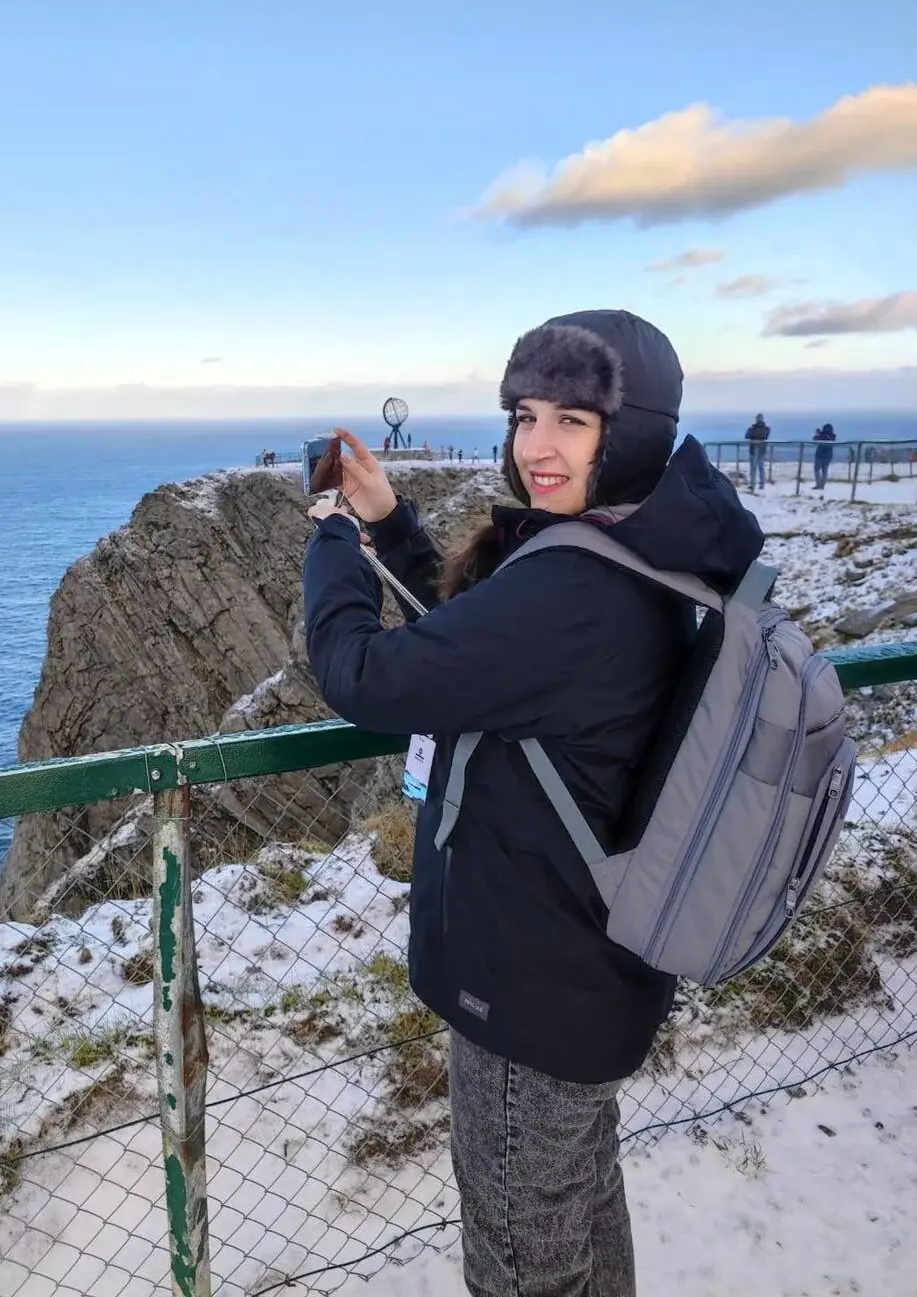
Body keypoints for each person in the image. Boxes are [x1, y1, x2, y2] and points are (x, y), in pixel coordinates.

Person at [302, 310, 763, 1297]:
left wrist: (337, 541)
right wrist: (392, 524)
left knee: (523, 1255)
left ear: (630, 430)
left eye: (573, 421)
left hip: (528, 987)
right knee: (582, 1201)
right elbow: (483, 644)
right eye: (524, 415)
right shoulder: (643, 545)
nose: (536, 447)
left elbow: (367, 678)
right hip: (596, 963)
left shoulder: (576, 588)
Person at [744, 412, 770, 491]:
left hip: (754, 450)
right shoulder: (766, 429)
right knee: (760, 467)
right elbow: (764, 436)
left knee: (754, 468)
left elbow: (747, 435)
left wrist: (752, 432)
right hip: (762, 450)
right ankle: (761, 484)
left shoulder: (753, 428)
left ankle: (753, 484)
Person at [813, 422, 836, 490]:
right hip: (828, 456)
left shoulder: (822, 435)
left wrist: (818, 433)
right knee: (824, 471)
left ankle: (818, 484)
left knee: (817, 469)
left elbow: (815, 438)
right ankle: (822, 485)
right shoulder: (833, 436)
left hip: (820, 455)